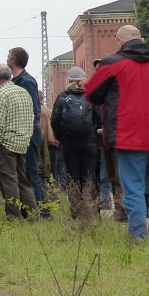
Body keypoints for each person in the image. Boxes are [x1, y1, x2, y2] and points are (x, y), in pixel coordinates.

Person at [85, 25, 149, 241]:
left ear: (119, 41)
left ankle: (138, 237)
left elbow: (91, 94)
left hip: (129, 135)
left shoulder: (113, 64)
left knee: (132, 188)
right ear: (141, 39)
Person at [0, 63, 39, 220]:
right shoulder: (23, 92)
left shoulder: (1, 94)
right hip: (23, 143)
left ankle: (14, 216)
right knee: (23, 181)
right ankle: (33, 215)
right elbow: (32, 117)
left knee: (9, 181)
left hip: (5, 145)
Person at [51, 66, 99, 217]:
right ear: (83, 80)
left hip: (69, 144)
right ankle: (91, 211)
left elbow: (54, 121)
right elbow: (98, 119)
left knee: (73, 177)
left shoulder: (62, 97)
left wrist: (62, 138)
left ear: (69, 80)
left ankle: (76, 213)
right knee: (89, 177)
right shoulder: (91, 96)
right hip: (89, 143)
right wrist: (93, 135)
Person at [7, 47, 46, 211]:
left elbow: (33, 110)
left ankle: (42, 211)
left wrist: (25, 132)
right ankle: (28, 209)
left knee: (31, 172)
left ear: (13, 61)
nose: (6, 59)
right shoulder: (15, 81)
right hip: (21, 132)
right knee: (23, 173)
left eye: (8, 57)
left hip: (28, 132)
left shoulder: (27, 81)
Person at [42, 92, 66, 191]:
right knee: (55, 169)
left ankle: (46, 191)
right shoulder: (49, 111)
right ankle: (57, 191)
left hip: (41, 142)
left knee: (42, 168)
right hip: (52, 142)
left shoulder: (34, 111)